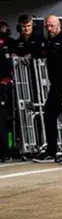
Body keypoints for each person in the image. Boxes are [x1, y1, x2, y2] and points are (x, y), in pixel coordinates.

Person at [33, 15, 62, 163]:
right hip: (55, 87)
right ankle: (51, 151)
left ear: (59, 26)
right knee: (49, 115)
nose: (49, 29)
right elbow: (39, 53)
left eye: (52, 26)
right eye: (47, 26)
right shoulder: (49, 43)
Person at [0, 22, 14, 162]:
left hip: (2, 86)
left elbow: (7, 68)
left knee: (2, 120)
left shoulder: (5, 44)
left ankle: (5, 151)